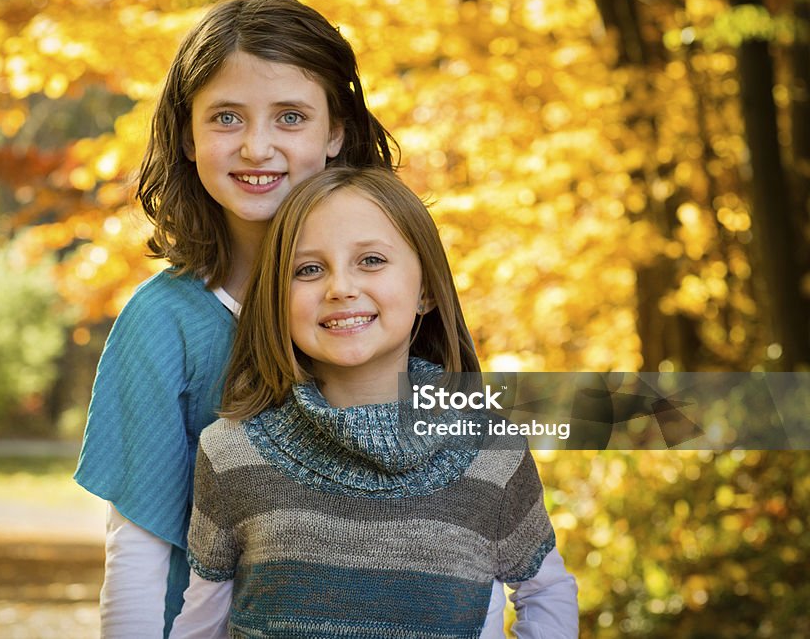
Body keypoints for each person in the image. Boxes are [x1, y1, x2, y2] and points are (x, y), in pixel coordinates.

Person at [73, 0, 398, 638]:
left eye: (290, 117)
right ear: (187, 135)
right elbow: (139, 555)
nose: (256, 146)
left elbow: (471, 498)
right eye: (226, 117)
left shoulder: (391, 300)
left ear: (334, 131)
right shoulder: (161, 324)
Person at [171, 167, 579, 638]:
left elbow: (545, 592)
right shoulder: (230, 453)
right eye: (308, 269)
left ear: (426, 289)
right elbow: (202, 621)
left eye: (370, 260)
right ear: (276, 300)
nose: (340, 287)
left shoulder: (491, 448)